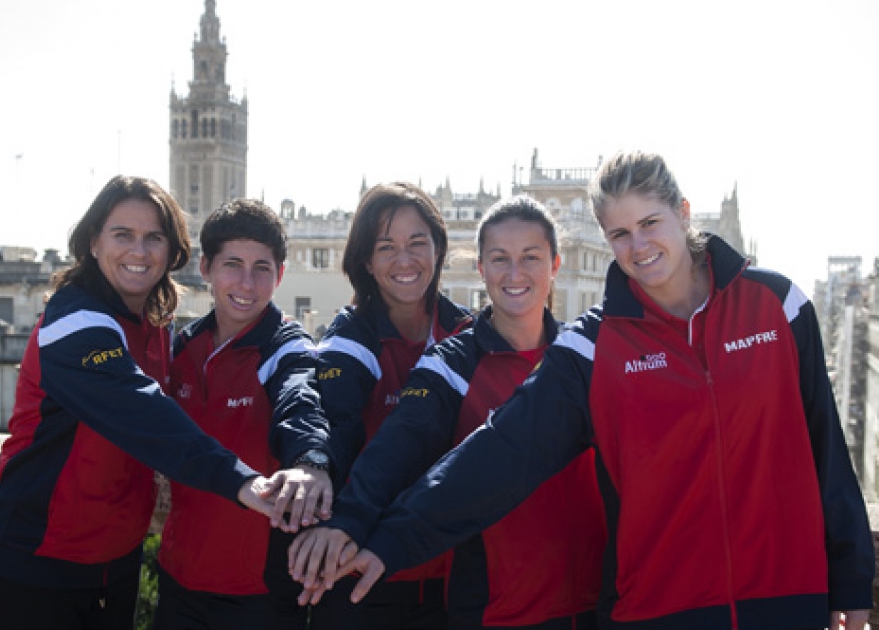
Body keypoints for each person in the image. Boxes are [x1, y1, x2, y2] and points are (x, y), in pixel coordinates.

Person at [311, 152, 875, 630]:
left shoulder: (778, 304)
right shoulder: (593, 345)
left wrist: (853, 578)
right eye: (621, 234)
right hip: (659, 608)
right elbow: (499, 454)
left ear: (683, 213)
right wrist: (379, 538)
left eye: (651, 222)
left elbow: (824, 446)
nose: (640, 245)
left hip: (787, 597)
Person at [0, 176, 292, 630]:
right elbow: (145, 414)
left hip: (114, 564)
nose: (139, 252)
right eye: (123, 235)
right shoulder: (73, 321)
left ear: (172, 250)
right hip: (31, 559)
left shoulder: (157, 326)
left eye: (154, 238)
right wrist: (243, 482)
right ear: (94, 242)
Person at [289, 196, 606, 629]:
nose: (515, 274)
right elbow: (402, 441)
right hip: (496, 611)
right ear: (480, 268)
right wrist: (349, 521)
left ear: (555, 263)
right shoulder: (451, 362)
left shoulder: (586, 357)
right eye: (499, 259)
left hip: (596, 604)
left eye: (530, 257)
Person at [284, 181, 473, 630]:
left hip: (452, 580)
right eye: (386, 247)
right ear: (365, 261)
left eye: (417, 243)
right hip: (357, 574)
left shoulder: (467, 332)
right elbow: (339, 424)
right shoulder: (349, 338)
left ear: (439, 249)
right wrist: (318, 468)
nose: (404, 260)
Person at [152, 199, 335, 630]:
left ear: (281, 275)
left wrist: (311, 462)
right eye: (233, 264)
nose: (247, 283)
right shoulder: (183, 347)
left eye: (262, 269)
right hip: (179, 577)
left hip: (257, 596)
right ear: (206, 269)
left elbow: (300, 401)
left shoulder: (286, 347)